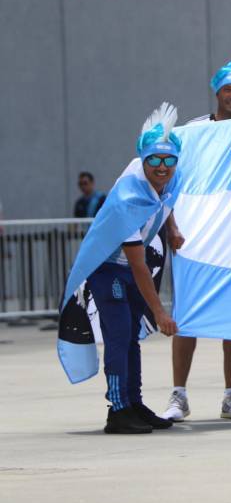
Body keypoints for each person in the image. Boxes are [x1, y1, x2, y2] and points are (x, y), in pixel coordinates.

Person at [60, 103, 184, 433]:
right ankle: (117, 410)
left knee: (131, 337)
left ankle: (134, 403)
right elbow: (138, 265)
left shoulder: (168, 175)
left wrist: (171, 229)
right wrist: (159, 312)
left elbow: (166, 198)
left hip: (129, 266)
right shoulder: (128, 198)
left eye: (168, 160)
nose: (162, 167)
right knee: (118, 335)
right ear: (142, 161)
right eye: (154, 160)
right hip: (108, 268)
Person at [162, 44, 231, 422]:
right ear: (217, 92)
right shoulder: (192, 133)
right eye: (228, 90)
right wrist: (172, 225)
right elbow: (168, 181)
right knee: (187, 315)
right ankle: (178, 395)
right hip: (194, 238)